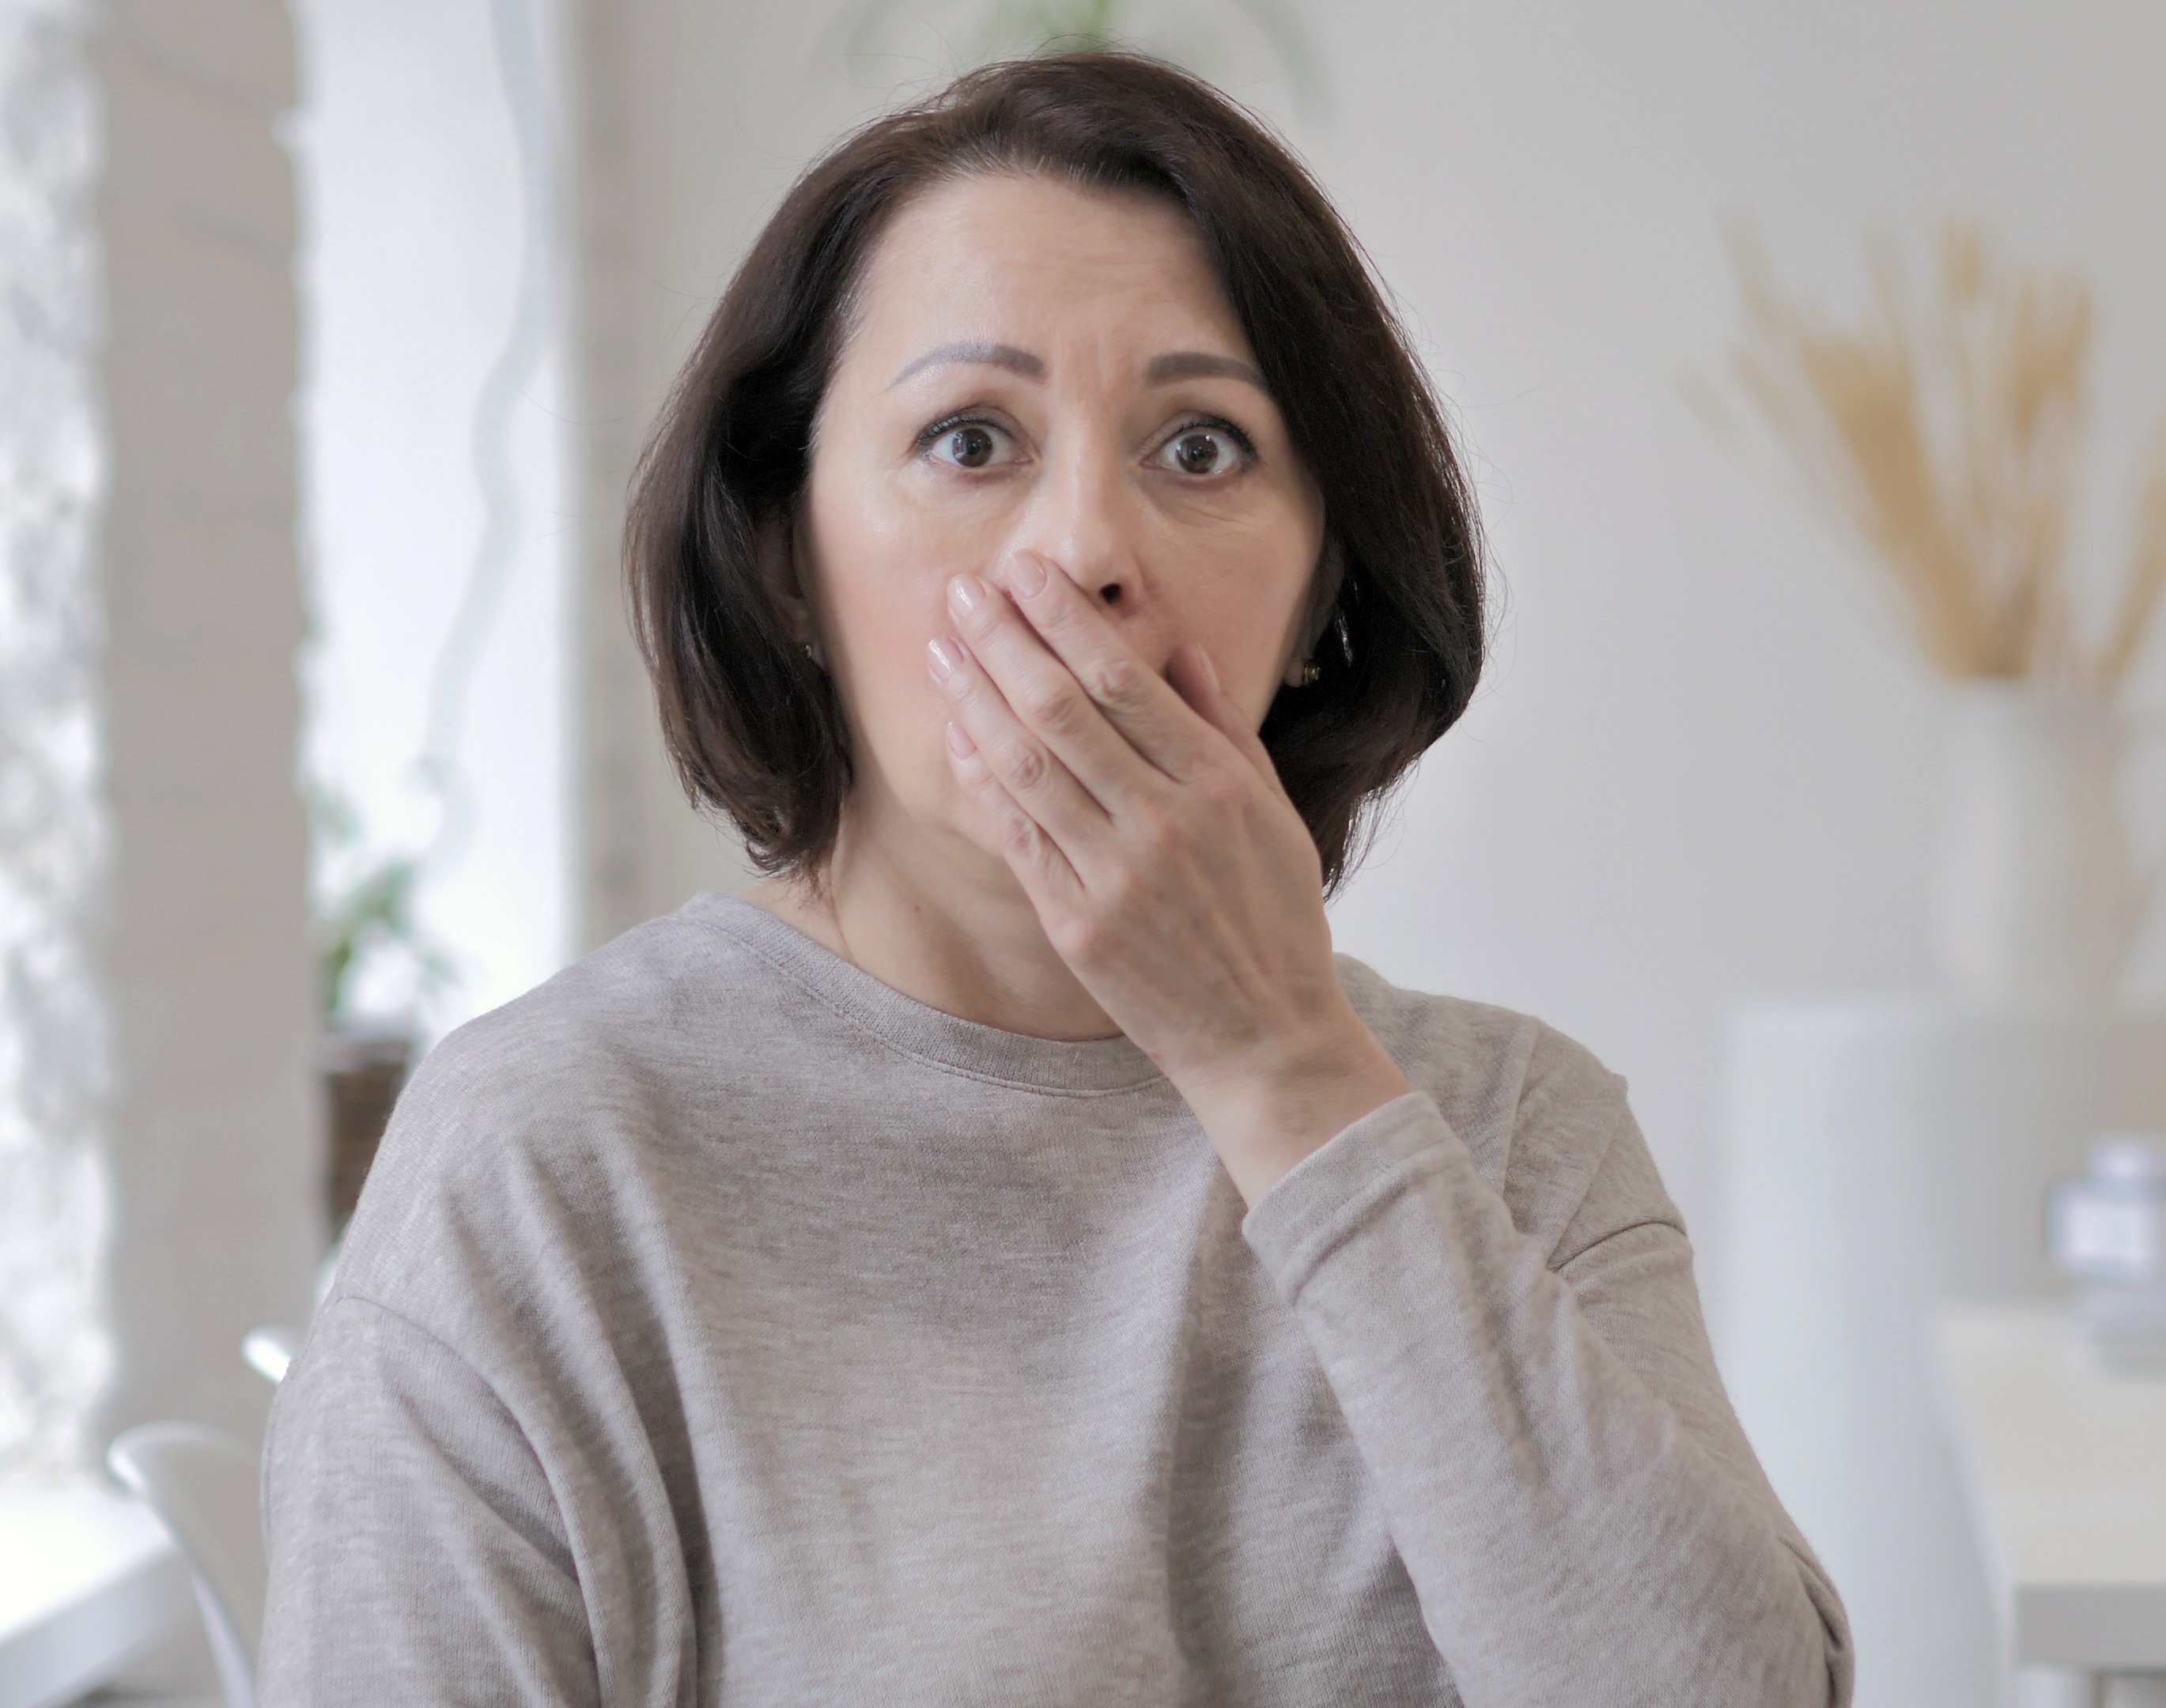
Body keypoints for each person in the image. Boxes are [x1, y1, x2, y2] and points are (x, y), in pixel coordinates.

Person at [257, 49, 1850, 1708]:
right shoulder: (549, 1156)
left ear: (1317, 603)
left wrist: (1283, 1070)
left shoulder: (1515, 1131)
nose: (1089, 548)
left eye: (1203, 448)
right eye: (968, 438)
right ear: (793, 560)